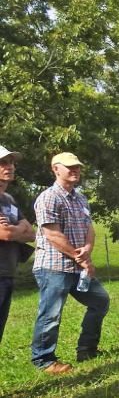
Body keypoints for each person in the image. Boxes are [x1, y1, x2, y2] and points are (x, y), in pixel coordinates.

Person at [30, 153, 110, 373]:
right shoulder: (49, 197)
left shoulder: (81, 198)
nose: (75, 170)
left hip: (78, 266)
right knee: (51, 314)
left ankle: (87, 349)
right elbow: (51, 234)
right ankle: (44, 360)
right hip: (53, 267)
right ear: (56, 169)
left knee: (100, 301)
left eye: (77, 167)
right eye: (69, 167)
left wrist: (88, 249)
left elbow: (89, 228)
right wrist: (80, 258)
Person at [1, 145, 34, 345]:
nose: (10, 166)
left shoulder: (9, 199)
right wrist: (19, 227)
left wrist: (17, 228)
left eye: (11, 162)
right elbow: (4, 234)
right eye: (3, 162)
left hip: (7, 275)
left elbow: (31, 234)